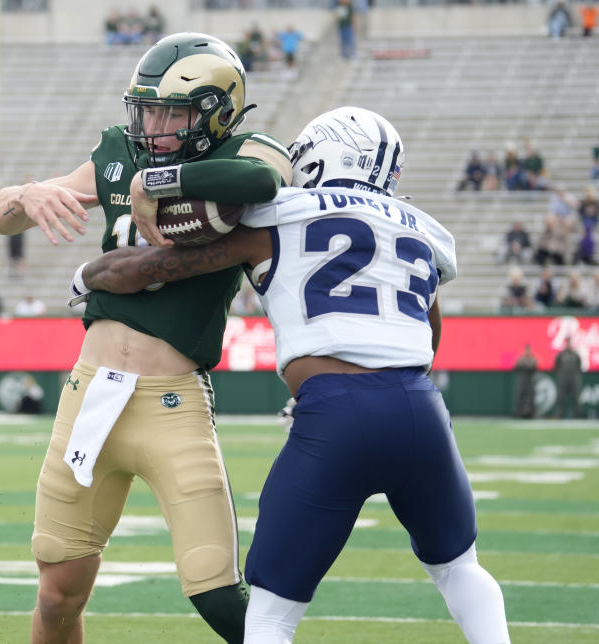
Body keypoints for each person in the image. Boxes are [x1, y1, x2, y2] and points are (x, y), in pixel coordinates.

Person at [72, 106, 510, 644]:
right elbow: (430, 332)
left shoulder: (282, 212)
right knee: (459, 567)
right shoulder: (419, 227)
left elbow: (142, 270)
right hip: (421, 408)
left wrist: (88, 276)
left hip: (335, 412)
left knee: (271, 614)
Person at [0, 33, 291, 644]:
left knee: (218, 594)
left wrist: (165, 180)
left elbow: (262, 181)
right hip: (90, 395)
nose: (153, 125)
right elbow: (0, 217)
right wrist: (28, 192)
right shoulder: (119, 153)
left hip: (171, 400)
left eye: (172, 112)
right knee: (56, 595)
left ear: (217, 112)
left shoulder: (246, 151)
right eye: (147, 109)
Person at [554, 336, 582, 418]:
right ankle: (559, 414)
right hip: (563, 378)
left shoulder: (576, 354)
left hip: (574, 378)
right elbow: (556, 366)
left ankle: (577, 415)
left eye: (570, 342)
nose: (568, 344)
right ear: (565, 343)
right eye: (567, 342)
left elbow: (579, 366)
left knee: (576, 397)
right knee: (561, 397)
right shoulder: (561, 355)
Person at [515, 344, 539, 418]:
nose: (527, 352)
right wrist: (526, 365)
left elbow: (533, 367)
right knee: (519, 397)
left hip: (530, 380)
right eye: (526, 350)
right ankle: (518, 414)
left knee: (531, 397)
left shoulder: (533, 359)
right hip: (522, 380)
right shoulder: (521, 359)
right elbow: (517, 366)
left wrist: (526, 365)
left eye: (529, 350)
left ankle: (532, 414)